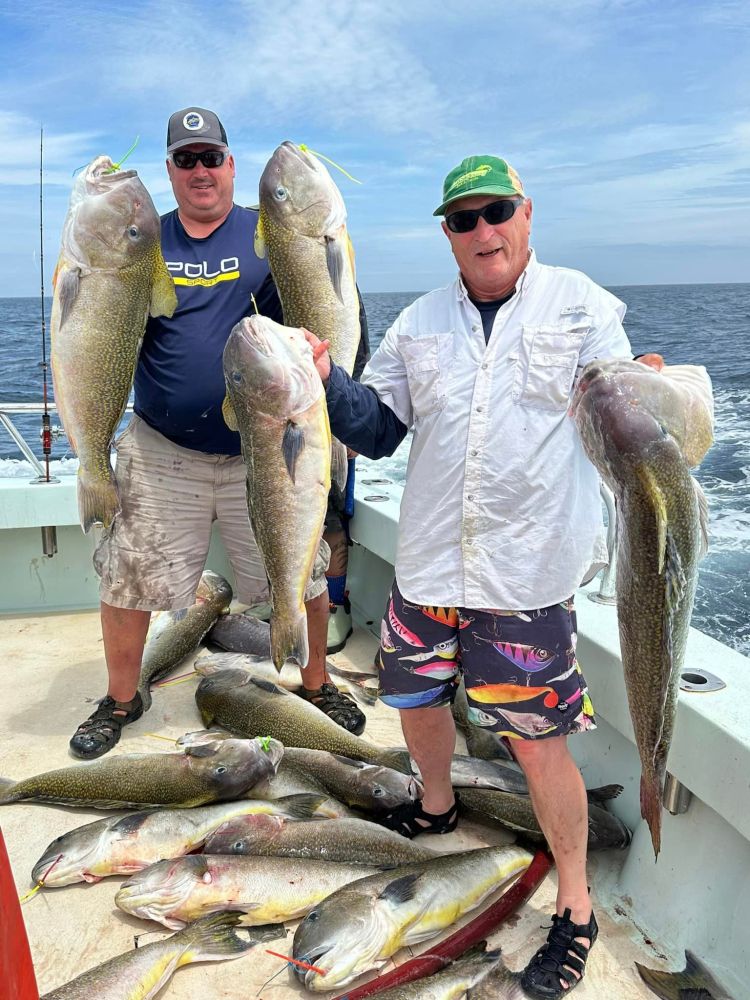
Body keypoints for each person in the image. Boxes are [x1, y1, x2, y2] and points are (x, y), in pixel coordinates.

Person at [303, 155, 663, 1000]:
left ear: (526, 214)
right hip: (428, 562)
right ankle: (435, 804)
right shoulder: (420, 321)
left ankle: (575, 907)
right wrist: (323, 377)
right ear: (447, 234)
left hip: (526, 576)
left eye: (495, 211)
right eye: (463, 220)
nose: (482, 231)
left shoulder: (580, 304)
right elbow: (379, 427)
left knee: (541, 747)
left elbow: (621, 402)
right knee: (416, 703)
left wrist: (647, 388)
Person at [69, 106, 368, 759]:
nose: (200, 170)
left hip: (262, 446)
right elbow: (106, 329)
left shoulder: (274, 236)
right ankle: (122, 697)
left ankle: (316, 684)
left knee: (305, 573)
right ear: (171, 172)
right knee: (127, 575)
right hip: (160, 446)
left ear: (231, 165)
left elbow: (325, 313)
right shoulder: (145, 244)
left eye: (211, 157)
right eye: (186, 159)